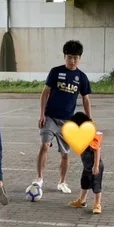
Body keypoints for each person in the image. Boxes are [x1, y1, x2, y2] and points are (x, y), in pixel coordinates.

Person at [32, 40, 92, 194]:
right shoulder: (55, 72)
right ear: (65, 56)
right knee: (45, 145)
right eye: (70, 57)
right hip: (50, 117)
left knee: (65, 154)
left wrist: (89, 120)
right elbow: (45, 93)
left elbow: (86, 99)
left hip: (67, 121)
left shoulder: (82, 77)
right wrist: (41, 114)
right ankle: (39, 178)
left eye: (76, 58)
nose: (72, 61)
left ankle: (62, 182)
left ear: (80, 58)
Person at [67, 112, 103, 214]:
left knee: (96, 185)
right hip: (87, 166)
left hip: (95, 165)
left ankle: (97, 204)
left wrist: (96, 166)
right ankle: (81, 201)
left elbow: (97, 150)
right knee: (84, 182)